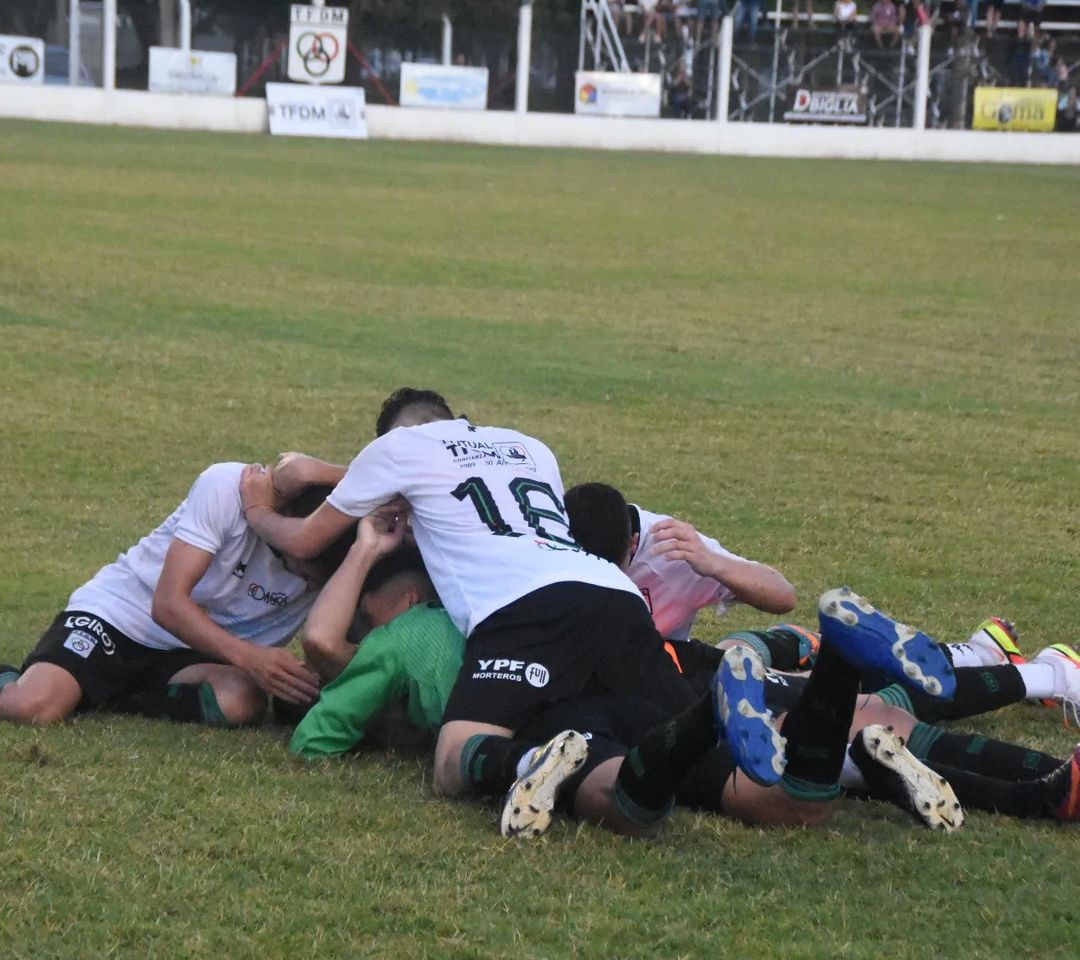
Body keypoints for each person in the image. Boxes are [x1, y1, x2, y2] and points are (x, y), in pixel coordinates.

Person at [238, 387, 802, 836]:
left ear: (391, 441)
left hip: (523, 609)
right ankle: (719, 712)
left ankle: (526, 761)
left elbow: (308, 541)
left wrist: (260, 510)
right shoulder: (531, 447)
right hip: (614, 593)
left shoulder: (396, 451)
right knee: (682, 752)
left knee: (452, 760)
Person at [0, 464, 353, 728]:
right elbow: (168, 605)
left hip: (200, 656)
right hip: (121, 618)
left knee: (240, 702)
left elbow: (400, 470)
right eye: (304, 561)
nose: (310, 580)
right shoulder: (228, 486)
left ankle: (108, 692)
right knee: (32, 708)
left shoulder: (353, 540)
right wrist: (253, 658)